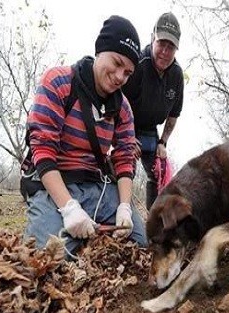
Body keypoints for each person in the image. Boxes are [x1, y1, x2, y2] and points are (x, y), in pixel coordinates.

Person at [22, 15, 147, 257]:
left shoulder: (123, 108)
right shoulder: (58, 82)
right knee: (47, 257)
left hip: (97, 186)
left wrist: (124, 207)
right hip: (54, 182)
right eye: (117, 63)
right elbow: (43, 150)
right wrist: (68, 208)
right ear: (101, 50)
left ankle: (90, 225)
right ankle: (53, 221)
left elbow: (124, 158)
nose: (120, 76)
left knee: (139, 243)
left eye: (128, 73)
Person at [122, 12, 184, 210]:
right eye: (161, 44)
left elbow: (174, 114)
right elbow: (117, 102)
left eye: (171, 47)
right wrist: (127, 137)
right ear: (152, 39)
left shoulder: (176, 75)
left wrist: (163, 142)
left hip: (150, 130)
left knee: (159, 172)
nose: (165, 52)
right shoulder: (137, 64)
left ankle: (154, 219)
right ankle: (122, 213)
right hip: (126, 125)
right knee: (126, 164)